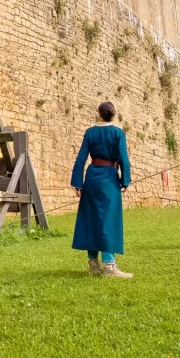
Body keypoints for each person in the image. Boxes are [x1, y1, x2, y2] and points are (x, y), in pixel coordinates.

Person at [71, 101, 132, 278]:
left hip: (92, 178)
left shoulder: (90, 132)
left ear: (99, 114)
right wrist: (125, 180)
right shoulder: (118, 133)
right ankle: (109, 266)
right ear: (113, 115)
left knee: (91, 218)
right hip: (109, 179)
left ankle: (93, 264)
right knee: (108, 219)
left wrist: (78, 182)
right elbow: (123, 159)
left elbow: (81, 158)